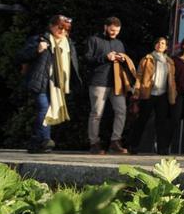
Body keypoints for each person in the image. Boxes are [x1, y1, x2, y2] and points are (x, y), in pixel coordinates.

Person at [16, 15, 81, 153]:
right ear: (51, 25)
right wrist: (37, 50)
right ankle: (46, 140)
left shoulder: (68, 43)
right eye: (60, 27)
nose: (62, 31)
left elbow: (72, 64)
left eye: (66, 29)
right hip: (40, 81)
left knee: (50, 110)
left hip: (57, 84)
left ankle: (35, 142)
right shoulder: (39, 39)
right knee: (44, 109)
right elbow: (21, 56)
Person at [84, 16, 134, 154]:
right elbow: (87, 59)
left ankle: (115, 141)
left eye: (117, 31)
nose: (114, 33)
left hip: (116, 83)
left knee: (121, 110)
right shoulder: (94, 40)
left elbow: (124, 64)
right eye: (112, 30)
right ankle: (94, 143)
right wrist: (105, 58)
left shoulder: (119, 43)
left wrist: (123, 59)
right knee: (96, 114)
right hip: (98, 82)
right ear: (105, 27)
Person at [129, 37, 177, 155]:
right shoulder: (147, 59)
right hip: (148, 93)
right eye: (158, 43)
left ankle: (162, 148)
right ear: (154, 45)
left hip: (163, 95)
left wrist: (173, 94)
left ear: (166, 47)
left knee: (162, 123)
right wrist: (136, 92)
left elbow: (172, 80)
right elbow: (139, 76)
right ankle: (133, 146)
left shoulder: (170, 62)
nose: (160, 45)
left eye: (163, 43)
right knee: (142, 120)